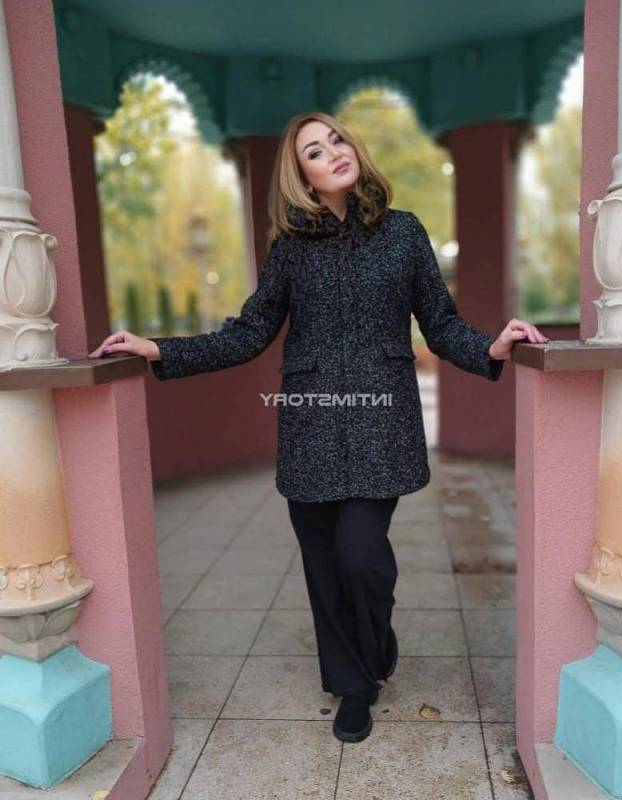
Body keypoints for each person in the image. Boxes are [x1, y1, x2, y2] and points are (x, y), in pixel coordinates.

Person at [89, 110, 548, 743]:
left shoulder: (403, 232)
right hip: (310, 429)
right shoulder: (290, 249)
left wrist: (489, 348)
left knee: (363, 559)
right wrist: (159, 350)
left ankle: (376, 641)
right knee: (323, 566)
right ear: (301, 176)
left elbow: (439, 323)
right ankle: (354, 688)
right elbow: (250, 332)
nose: (333, 152)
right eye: (313, 150)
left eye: (336, 139)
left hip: (381, 425)